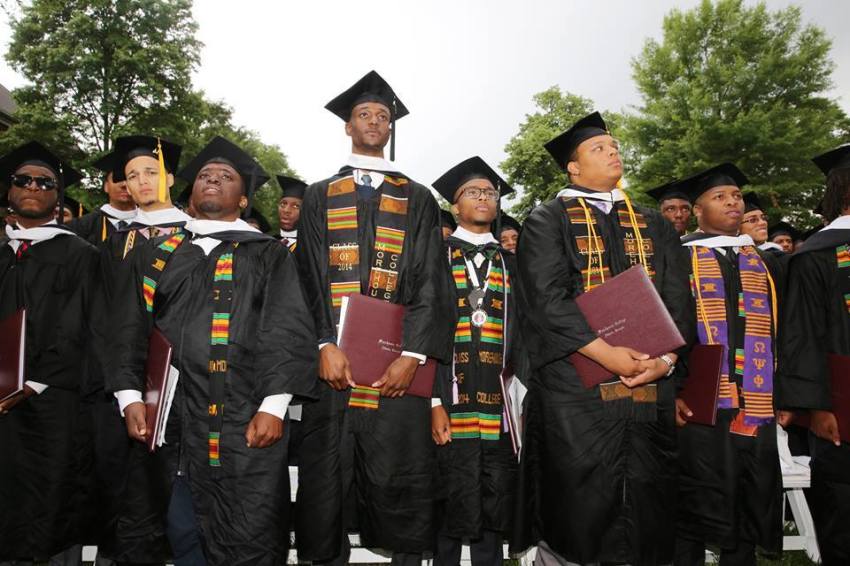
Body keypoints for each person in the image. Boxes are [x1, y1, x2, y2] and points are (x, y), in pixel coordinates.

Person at [107, 135, 317, 565]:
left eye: (226, 177)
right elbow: (129, 328)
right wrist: (128, 397)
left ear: (243, 200)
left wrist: (274, 407)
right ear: (191, 191)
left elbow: (287, 330)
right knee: (178, 524)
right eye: (205, 175)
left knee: (245, 529)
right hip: (168, 416)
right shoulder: (158, 252)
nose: (213, 180)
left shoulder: (270, 255)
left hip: (242, 413)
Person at [512, 112, 694, 565]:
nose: (613, 152)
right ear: (572, 168)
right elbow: (546, 301)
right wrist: (607, 354)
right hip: (576, 389)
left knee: (649, 497)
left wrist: (666, 362)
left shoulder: (652, 223)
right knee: (578, 501)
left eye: (614, 146)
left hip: (649, 384)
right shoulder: (546, 220)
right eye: (598, 148)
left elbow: (678, 300)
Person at [294, 70, 455, 565]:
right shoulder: (319, 195)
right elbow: (304, 279)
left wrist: (412, 356)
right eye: (364, 114)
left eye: (383, 116)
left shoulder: (419, 197)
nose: (374, 121)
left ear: (391, 130)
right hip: (333, 371)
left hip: (396, 373)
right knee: (326, 493)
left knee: (401, 486)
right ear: (348, 126)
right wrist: (323, 344)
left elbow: (432, 281)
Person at [674, 163, 785, 565]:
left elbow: (783, 331)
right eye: (720, 197)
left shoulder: (763, 261)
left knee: (747, 503)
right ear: (697, 210)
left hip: (755, 403)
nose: (733, 202)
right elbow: (665, 329)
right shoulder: (679, 259)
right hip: (699, 405)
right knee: (692, 506)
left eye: (736, 195)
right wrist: (671, 393)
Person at [0, 141, 98, 564]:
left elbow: (80, 326)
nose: (33, 187)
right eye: (23, 180)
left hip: (52, 400)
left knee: (50, 502)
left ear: (58, 197)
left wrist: (34, 381)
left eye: (45, 182)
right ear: (8, 190)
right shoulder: (1, 252)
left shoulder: (80, 255)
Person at [430, 156, 520, 565]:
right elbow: (421, 333)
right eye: (472, 192)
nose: (483, 198)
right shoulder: (433, 258)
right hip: (449, 396)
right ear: (454, 206)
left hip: (501, 402)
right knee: (446, 492)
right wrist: (432, 402)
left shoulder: (515, 263)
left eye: (489, 192)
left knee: (495, 492)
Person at [778, 144, 850, 565]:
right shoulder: (816, 255)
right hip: (841, 408)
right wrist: (817, 406)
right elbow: (801, 335)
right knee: (843, 508)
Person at [67, 151, 137, 245]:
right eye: (117, 178)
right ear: (106, 186)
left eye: (130, 178)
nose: (124, 184)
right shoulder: (79, 227)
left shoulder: (153, 226)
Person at [277, 175, 306, 251]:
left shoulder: (309, 248)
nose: (286, 210)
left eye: (296, 206)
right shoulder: (267, 242)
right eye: (283, 204)